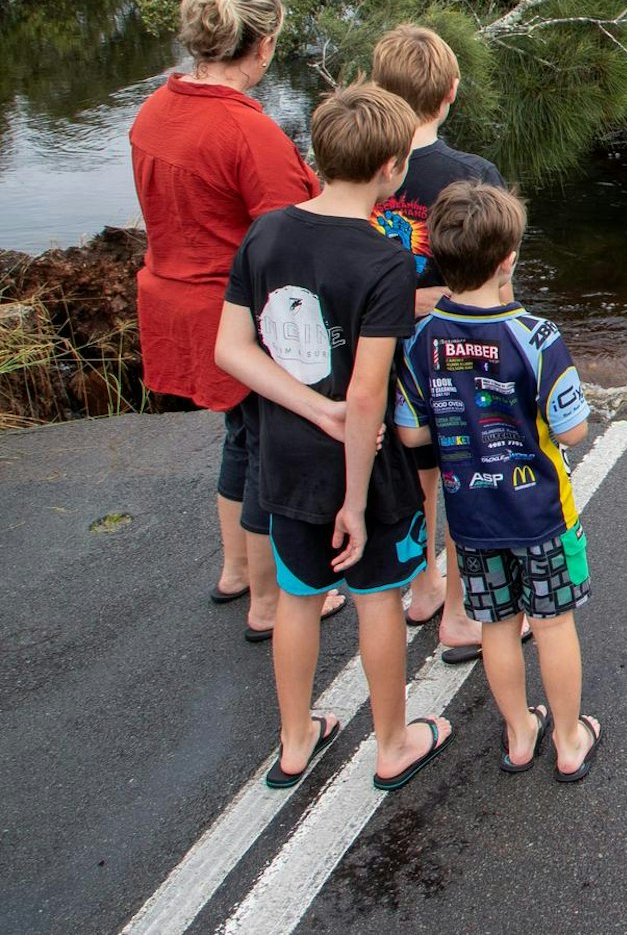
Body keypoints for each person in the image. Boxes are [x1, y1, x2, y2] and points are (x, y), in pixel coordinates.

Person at [215, 83, 455, 791]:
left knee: (298, 596)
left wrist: (303, 409)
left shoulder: (266, 231)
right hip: (362, 467)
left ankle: (294, 740)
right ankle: (392, 743)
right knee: (377, 596)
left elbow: (232, 349)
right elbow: (363, 395)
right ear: (391, 167)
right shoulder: (383, 261)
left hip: (283, 458)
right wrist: (352, 496)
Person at [129, 0, 346, 640]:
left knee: (241, 439)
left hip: (175, 300)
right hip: (239, 318)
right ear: (263, 46)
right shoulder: (246, 132)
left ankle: (234, 570)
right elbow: (293, 236)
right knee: (268, 453)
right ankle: (268, 601)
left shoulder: (153, 111)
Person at [394, 182, 601, 781]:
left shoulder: (423, 340)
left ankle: (518, 734)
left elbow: (411, 435)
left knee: (497, 626)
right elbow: (574, 432)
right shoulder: (537, 337)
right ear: (509, 258)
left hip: (472, 518)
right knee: (555, 623)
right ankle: (568, 740)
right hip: (540, 513)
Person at [366, 24, 505, 653]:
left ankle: (421, 588)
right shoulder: (471, 173)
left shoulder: (360, 169)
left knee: (415, 468)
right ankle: (457, 610)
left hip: (383, 354)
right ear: (451, 92)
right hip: (452, 355)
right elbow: (498, 278)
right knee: (460, 471)